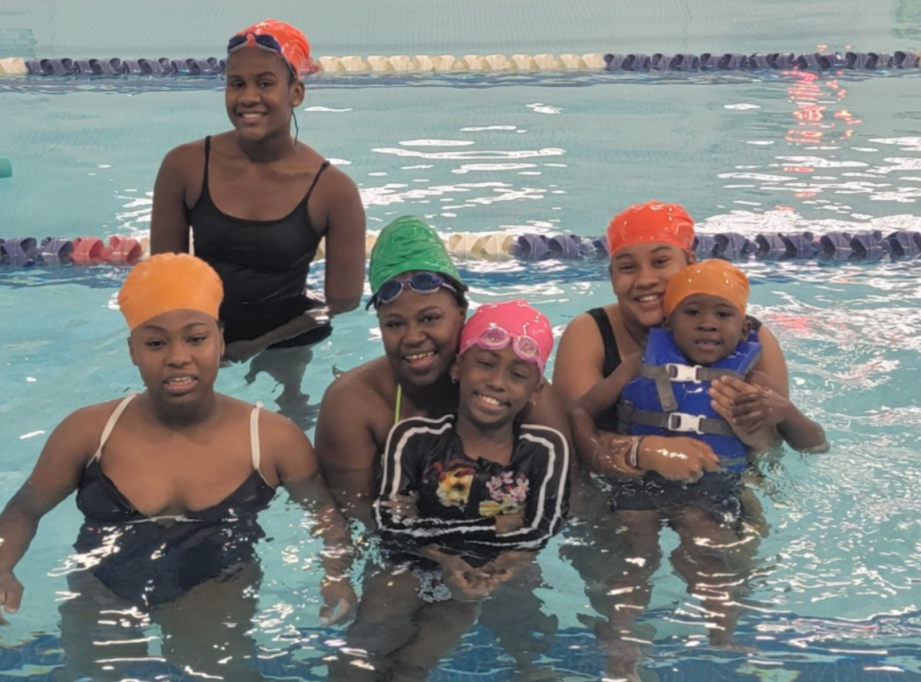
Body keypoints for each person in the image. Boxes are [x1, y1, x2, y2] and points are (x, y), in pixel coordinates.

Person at [0, 253, 357, 682]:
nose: (178, 357)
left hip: (218, 582)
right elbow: (26, 506)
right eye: (156, 343)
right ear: (133, 351)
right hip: (104, 584)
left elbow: (323, 512)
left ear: (221, 341)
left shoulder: (271, 437)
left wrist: (336, 574)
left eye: (196, 339)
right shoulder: (90, 431)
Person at [316, 216, 566, 677]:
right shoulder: (354, 404)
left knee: (525, 631)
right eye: (395, 323)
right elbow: (356, 513)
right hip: (400, 550)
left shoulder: (521, 390)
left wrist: (502, 559)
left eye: (430, 318)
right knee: (374, 633)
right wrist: (439, 556)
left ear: (462, 315)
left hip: (494, 544)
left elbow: (557, 503)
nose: (413, 337)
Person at [571, 259, 825, 669]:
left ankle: (723, 640)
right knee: (634, 559)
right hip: (640, 485)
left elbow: (815, 445)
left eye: (722, 314)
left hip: (709, 490)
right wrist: (598, 456)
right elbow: (581, 411)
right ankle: (622, 648)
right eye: (693, 312)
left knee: (708, 557)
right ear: (669, 323)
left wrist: (785, 411)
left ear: (744, 329)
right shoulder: (638, 365)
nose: (707, 324)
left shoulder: (753, 383)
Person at [149, 19, 366, 426]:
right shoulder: (185, 165)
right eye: (236, 84)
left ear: (295, 92)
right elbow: (165, 277)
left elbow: (343, 301)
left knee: (290, 421)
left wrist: (259, 344)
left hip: (288, 333)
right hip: (199, 333)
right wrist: (198, 339)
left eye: (265, 83)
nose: (248, 97)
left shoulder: (332, 190)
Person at [553, 201, 822, 478]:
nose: (645, 279)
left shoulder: (753, 338)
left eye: (660, 262)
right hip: (619, 488)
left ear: (689, 264)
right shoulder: (591, 333)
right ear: (611, 277)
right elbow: (565, 442)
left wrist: (763, 442)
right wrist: (642, 449)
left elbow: (780, 456)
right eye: (627, 267)